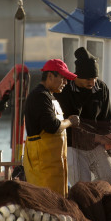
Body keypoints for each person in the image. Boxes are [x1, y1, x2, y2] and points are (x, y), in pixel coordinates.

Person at [55, 47, 111, 187]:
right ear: (76, 76)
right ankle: (85, 197)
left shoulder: (102, 89)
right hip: (72, 145)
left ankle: (94, 196)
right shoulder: (64, 90)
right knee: (81, 184)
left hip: (94, 144)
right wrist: (98, 138)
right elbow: (63, 127)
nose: (92, 82)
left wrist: (109, 136)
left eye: (95, 78)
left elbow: (106, 121)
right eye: (88, 79)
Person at [23, 59, 80, 197]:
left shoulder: (49, 96)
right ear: (50, 76)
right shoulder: (40, 96)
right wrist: (70, 121)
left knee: (58, 198)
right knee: (46, 200)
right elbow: (52, 126)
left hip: (53, 164)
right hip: (43, 165)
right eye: (63, 78)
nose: (66, 83)